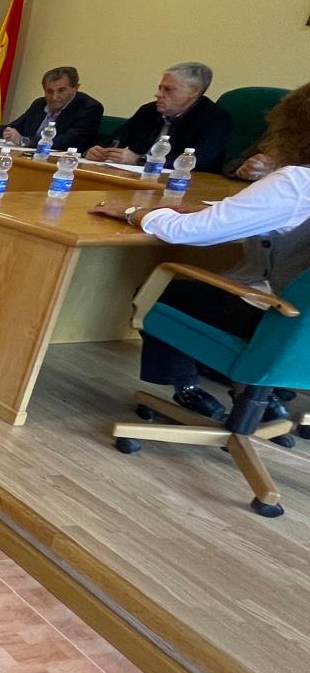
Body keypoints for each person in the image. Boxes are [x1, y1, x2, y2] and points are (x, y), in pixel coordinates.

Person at [89, 79, 310, 421]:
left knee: (166, 288)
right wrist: (217, 211)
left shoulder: (296, 183)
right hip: (303, 337)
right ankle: (257, 395)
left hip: (280, 322)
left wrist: (133, 212)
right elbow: (280, 219)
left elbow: (185, 233)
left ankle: (186, 387)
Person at [85, 62, 231, 172]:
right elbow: (116, 139)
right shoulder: (149, 110)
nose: (158, 94)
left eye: (168, 89)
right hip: (134, 178)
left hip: (180, 187)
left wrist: (140, 160)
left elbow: (203, 161)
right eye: (160, 88)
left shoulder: (214, 118)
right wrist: (96, 151)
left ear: (194, 91)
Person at [0, 66, 103, 150]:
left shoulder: (89, 108)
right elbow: (15, 126)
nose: (54, 97)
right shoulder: (39, 104)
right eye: (49, 91)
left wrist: (25, 141)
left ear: (75, 88)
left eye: (61, 90)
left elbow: (69, 141)